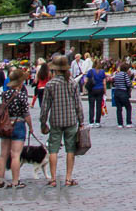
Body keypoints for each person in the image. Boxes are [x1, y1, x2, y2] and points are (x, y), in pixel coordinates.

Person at [39, 55, 82, 187]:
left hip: (56, 120)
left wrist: (43, 122)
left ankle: (52, 179)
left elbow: (45, 106)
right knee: (70, 150)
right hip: (71, 120)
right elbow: (77, 104)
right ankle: (68, 178)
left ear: (55, 70)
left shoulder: (50, 84)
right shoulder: (72, 83)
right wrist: (81, 121)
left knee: (53, 149)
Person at [0, 68, 32, 189]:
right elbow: (26, 113)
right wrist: (31, 127)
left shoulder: (5, 94)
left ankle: (0, 180)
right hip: (18, 124)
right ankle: (15, 181)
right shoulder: (22, 95)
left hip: (6, 125)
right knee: (16, 155)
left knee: (3, 154)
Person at [111, 61, 133, 128]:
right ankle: (128, 122)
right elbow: (128, 84)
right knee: (128, 107)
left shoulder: (117, 74)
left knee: (119, 108)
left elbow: (114, 82)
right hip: (123, 92)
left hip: (116, 92)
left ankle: (120, 123)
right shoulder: (124, 74)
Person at [84, 59, 106, 127]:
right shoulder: (102, 71)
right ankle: (97, 122)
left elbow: (85, 81)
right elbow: (104, 82)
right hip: (100, 89)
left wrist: (86, 88)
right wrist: (105, 91)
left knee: (91, 106)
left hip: (92, 90)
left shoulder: (90, 71)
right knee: (99, 106)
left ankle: (91, 122)